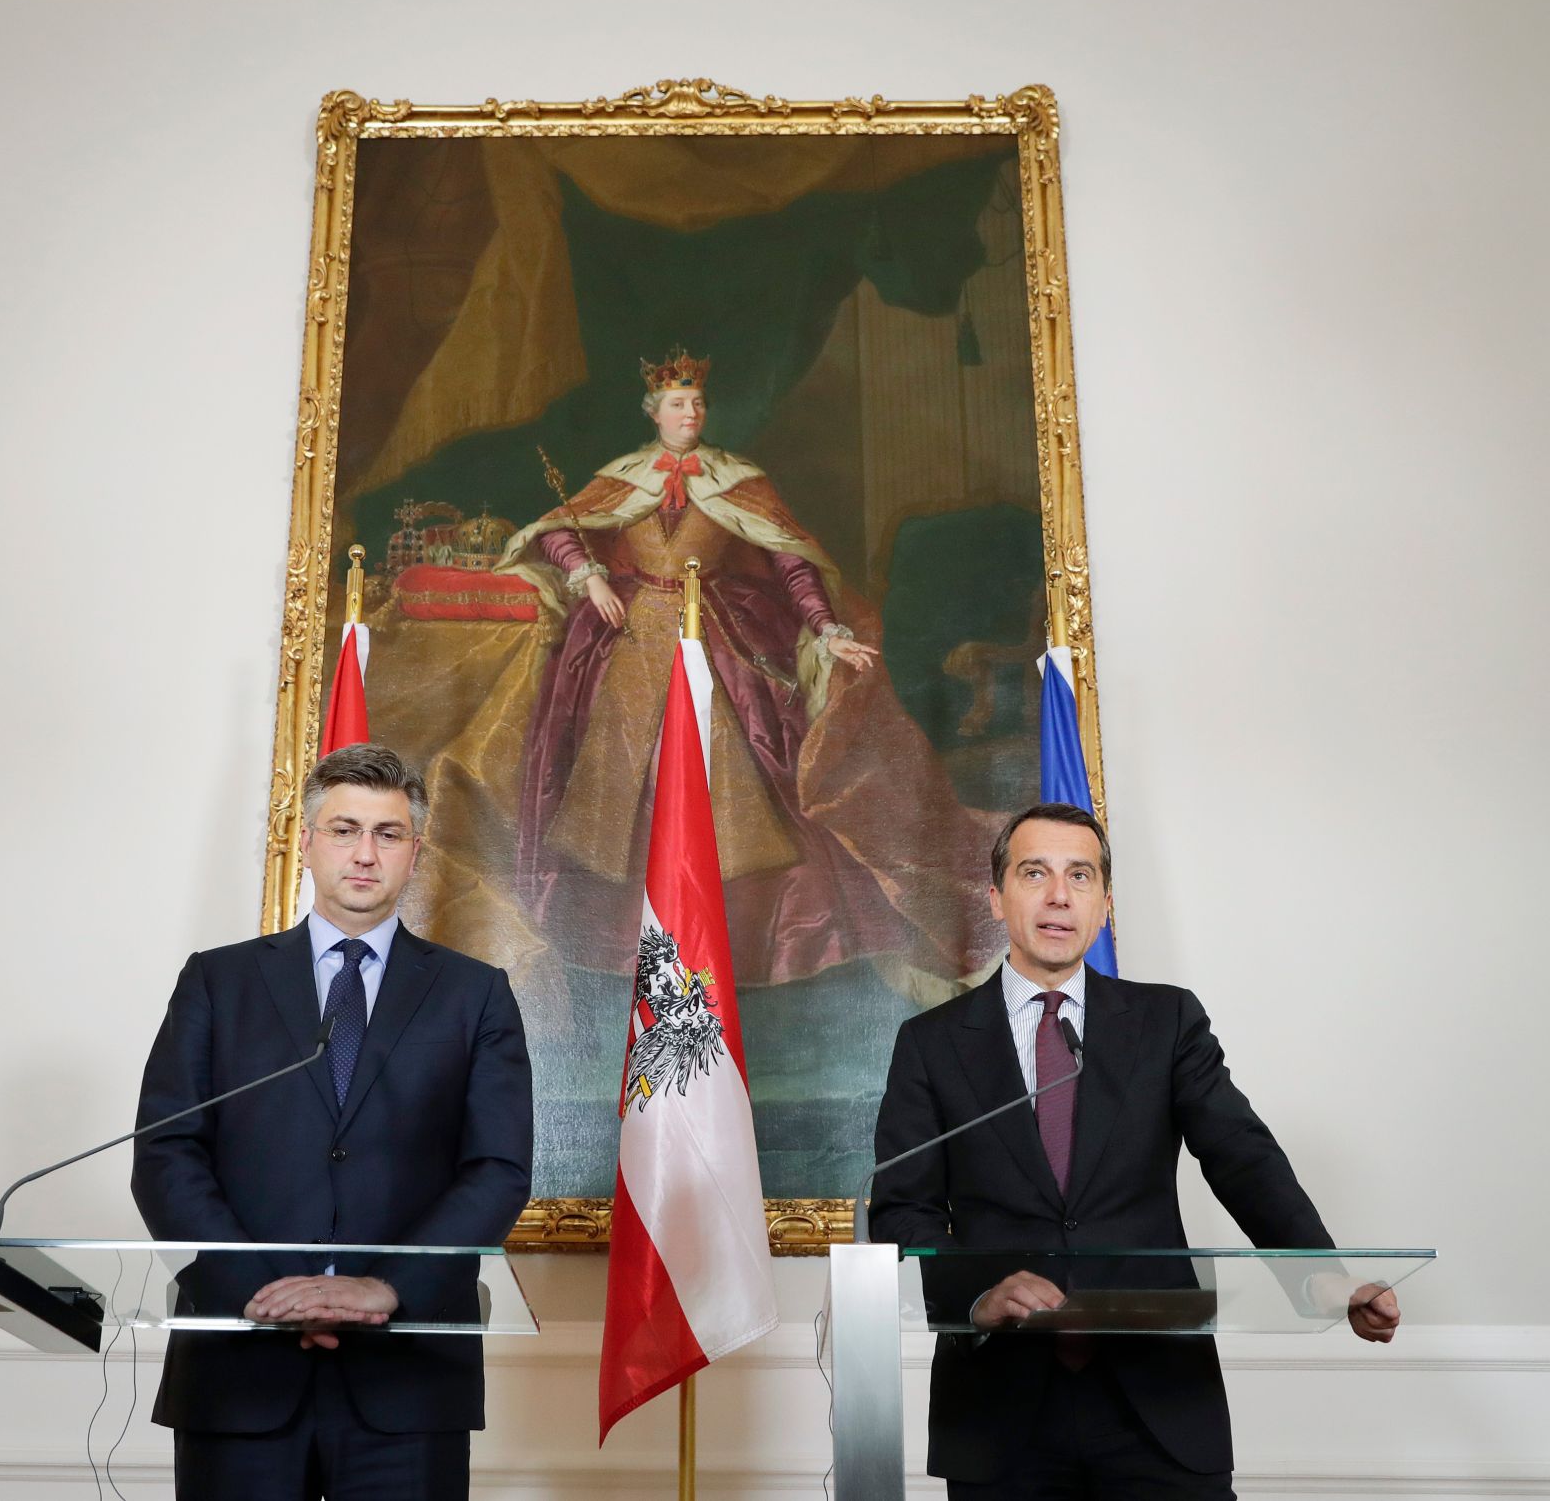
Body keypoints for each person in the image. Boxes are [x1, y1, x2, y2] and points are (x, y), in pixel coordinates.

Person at [869, 802, 1399, 1498]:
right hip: (1000, 1413)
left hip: (1159, 1404)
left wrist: (1322, 1275)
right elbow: (900, 1209)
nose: (1060, 895)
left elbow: (1242, 1156)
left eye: (1081, 876)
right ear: (997, 898)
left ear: (1104, 903)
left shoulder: (1165, 1021)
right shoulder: (932, 1044)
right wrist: (978, 1294)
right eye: (1036, 873)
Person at [496, 349, 999, 996]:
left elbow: (792, 564)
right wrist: (588, 573)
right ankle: (629, 939)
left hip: (718, 637)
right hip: (629, 639)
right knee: (618, 786)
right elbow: (561, 529)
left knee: (743, 771)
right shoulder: (622, 477)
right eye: (678, 404)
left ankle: (741, 934)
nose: (690, 413)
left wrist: (828, 628)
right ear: (654, 413)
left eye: (698, 403)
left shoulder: (738, 480)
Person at [131, 744, 533, 1501]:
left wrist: (387, 1288)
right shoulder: (218, 982)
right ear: (308, 842)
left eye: (387, 834)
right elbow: (167, 1153)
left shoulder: (474, 995)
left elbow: (497, 1171)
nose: (364, 853)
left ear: (413, 853)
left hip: (407, 1383)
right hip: (240, 1371)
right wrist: (261, 1293)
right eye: (345, 829)